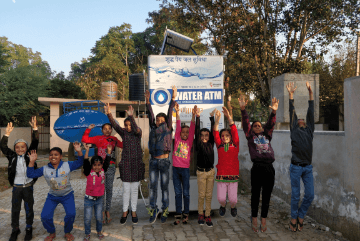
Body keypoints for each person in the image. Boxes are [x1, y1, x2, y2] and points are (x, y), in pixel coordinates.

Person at [27, 143, 84, 241]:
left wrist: (78, 151)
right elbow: (30, 174)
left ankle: (67, 232)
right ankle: (51, 232)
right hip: (52, 196)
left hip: (67, 195)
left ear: (61, 156)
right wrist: (31, 161)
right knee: (45, 216)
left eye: (56, 154)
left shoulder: (67, 165)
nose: (53, 156)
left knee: (71, 214)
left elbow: (79, 163)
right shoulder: (45, 169)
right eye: (51, 155)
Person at [239, 94, 279, 233]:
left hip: (269, 168)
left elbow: (271, 124)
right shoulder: (250, 136)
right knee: (255, 194)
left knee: (267, 195)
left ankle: (264, 219)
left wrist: (273, 112)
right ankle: (254, 218)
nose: (257, 127)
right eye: (254, 125)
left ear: (262, 129)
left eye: (259, 126)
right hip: (257, 167)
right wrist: (243, 110)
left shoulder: (266, 135)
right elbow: (245, 123)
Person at [105, 104, 145, 225]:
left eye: (129, 125)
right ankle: (124, 211)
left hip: (137, 165)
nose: (128, 127)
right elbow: (115, 125)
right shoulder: (124, 134)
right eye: (126, 125)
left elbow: (137, 129)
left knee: (134, 190)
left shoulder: (138, 133)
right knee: (126, 189)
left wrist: (131, 116)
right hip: (126, 164)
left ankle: (133, 211)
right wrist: (109, 113)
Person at [1, 117, 38, 241]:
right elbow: (3, 146)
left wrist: (35, 128)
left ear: (27, 148)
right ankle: (15, 229)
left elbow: (35, 141)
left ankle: (28, 228)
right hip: (16, 188)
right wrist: (7, 134)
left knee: (29, 209)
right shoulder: (12, 156)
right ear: (15, 148)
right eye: (17, 147)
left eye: (23, 147)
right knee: (15, 209)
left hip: (28, 187)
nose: (20, 149)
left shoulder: (29, 155)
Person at [145, 86, 176, 224]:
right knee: (152, 188)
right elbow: (150, 114)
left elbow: (170, 113)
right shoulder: (153, 128)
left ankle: (165, 210)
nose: (159, 121)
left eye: (161, 120)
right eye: (157, 120)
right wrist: (147, 101)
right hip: (153, 161)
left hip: (164, 161)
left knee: (164, 188)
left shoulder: (168, 128)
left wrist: (173, 99)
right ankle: (153, 210)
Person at [287, 81, 315, 232]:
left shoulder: (310, 130)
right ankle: (293, 217)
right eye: (298, 119)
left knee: (310, 195)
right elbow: (292, 111)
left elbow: (311, 111)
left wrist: (310, 93)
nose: (301, 119)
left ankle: (301, 215)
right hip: (296, 167)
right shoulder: (294, 130)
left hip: (308, 168)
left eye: (303, 119)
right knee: (296, 196)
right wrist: (291, 95)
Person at [81, 123, 123, 224]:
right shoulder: (98, 138)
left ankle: (107, 210)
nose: (107, 130)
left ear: (112, 130)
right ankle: (101, 211)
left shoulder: (114, 139)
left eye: (109, 129)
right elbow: (85, 140)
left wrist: (124, 133)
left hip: (111, 167)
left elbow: (124, 145)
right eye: (105, 129)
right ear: (102, 130)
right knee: (101, 190)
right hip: (99, 168)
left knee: (109, 189)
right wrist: (88, 129)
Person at [172, 103, 196, 225]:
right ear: (179, 133)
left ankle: (186, 214)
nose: (185, 133)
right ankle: (178, 215)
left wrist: (193, 116)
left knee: (186, 193)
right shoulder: (177, 139)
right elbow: (177, 126)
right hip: (175, 169)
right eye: (183, 132)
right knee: (178, 193)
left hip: (185, 170)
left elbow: (192, 128)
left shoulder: (190, 140)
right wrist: (177, 112)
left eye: (187, 132)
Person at [213, 107, 240, 218]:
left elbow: (234, 130)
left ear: (231, 137)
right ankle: (223, 206)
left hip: (233, 175)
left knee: (233, 199)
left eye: (227, 135)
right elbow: (215, 132)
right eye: (222, 136)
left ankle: (233, 207)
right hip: (221, 175)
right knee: (221, 198)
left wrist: (229, 117)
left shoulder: (236, 145)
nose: (224, 137)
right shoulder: (219, 145)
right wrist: (217, 120)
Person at [83, 143, 111, 241]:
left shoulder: (103, 170)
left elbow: (107, 161)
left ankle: (99, 232)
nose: (97, 167)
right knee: (87, 218)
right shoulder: (88, 172)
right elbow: (85, 162)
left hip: (99, 200)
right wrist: (86, 150)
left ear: (102, 165)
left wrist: (109, 152)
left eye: (99, 165)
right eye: (95, 165)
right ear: (91, 166)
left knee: (99, 218)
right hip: (88, 200)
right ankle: (87, 234)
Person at [195, 108, 216, 227]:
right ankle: (200, 214)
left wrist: (212, 119)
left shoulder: (210, 143)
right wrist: (197, 117)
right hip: (201, 173)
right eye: (202, 135)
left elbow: (213, 132)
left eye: (206, 135)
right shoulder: (198, 144)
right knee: (201, 195)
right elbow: (196, 131)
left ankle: (208, 215)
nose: (204, 137)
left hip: (210, 172)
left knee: (209, 195)